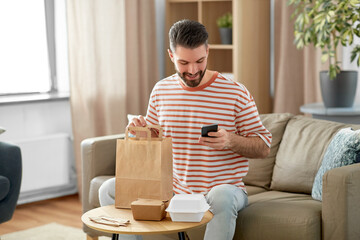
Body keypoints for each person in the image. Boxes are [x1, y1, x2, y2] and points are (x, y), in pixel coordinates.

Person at [99, 19, 271, 240]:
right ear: (171, 56)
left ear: (208, 51)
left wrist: (229, 140)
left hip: (222, 190)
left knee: (222, 195)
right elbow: (152, 146)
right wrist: (138, 132)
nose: (193, 70)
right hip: (173, 189)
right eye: (184, 63)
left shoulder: (235, 92)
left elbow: (264, 147)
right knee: (108, 189)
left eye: (200, 61)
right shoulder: (161, 90)